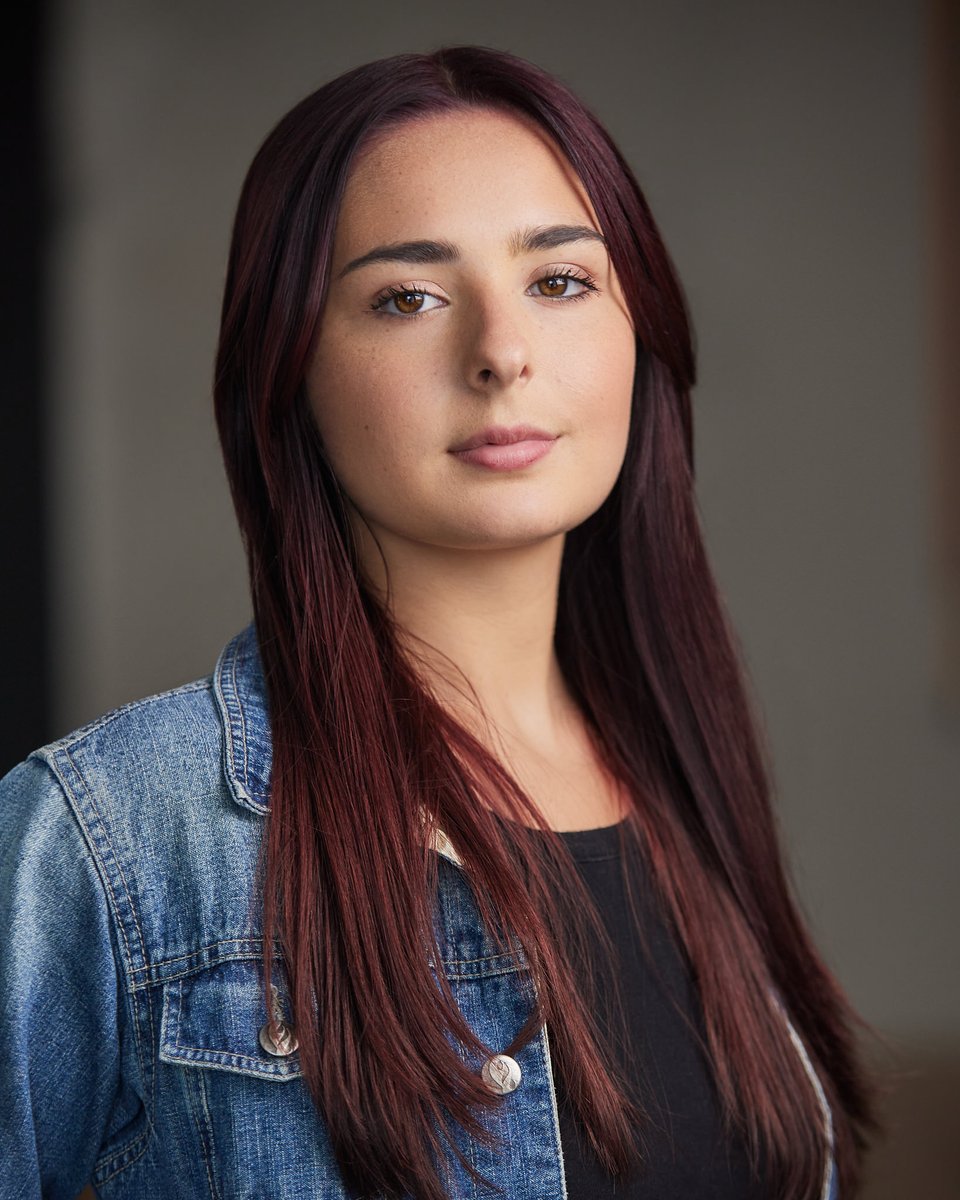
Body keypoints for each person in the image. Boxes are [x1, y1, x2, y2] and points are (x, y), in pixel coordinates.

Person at [0, 45, 873, 1200]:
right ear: (289, 370)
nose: (502, 354)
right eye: (407, 297)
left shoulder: (687, 783)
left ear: (639, 330)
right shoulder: (112, 839)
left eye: (559, 281)